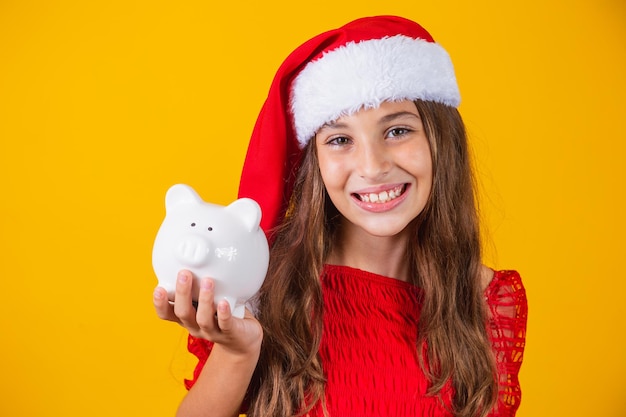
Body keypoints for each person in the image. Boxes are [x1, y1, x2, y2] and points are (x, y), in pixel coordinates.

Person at [153, 15, 528, 417]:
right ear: (315, 161)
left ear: (442, 140)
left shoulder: (489, 301)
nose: (371, 166)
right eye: (340, 140)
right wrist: (236, 353)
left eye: (398, 131)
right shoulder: (263, 293)